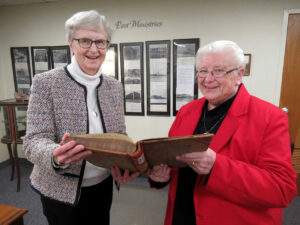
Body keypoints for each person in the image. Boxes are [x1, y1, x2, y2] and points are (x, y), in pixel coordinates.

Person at [148, 40, 297, 225]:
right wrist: (162, 176)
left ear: (239, 75)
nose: (208, 79)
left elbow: (281, 189)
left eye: (218, 71)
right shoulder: (187, 112)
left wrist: (216, 166)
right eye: (202, 71)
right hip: (181, 215)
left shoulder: (270, 117)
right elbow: (174, 163)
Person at [24, 10, 137, 225]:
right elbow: (32, 141)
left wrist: (124, 163)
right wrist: (55, 155)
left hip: (102, 185)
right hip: (59, 190)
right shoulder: (46, 83)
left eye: (101, 42)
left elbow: (119, 135)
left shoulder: (114, 86)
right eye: (85, 41)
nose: (94, 49)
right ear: (71, 43)